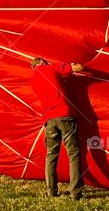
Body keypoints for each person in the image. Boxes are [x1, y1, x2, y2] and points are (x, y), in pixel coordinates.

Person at [30, 57, 84, 199]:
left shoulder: (33, 81)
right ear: (42, 62)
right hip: (64, 115)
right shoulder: (51, 68)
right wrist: (70, 65)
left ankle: (51, 191)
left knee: (51, 155)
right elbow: (79, 67)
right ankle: (75, 192)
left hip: (49, 120)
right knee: (74, 154)